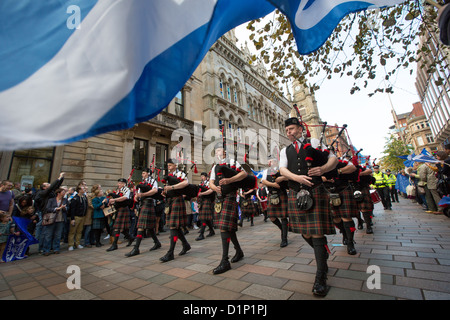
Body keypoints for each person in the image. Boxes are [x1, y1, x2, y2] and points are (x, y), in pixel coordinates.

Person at [279, 117, 338, 297]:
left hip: (315, 190)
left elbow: (333, 159)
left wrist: (323, 169)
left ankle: (321, 276)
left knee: (317, 232)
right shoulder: (285, 150)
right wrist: (296, 178)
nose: (289, 133)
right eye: (287, 130)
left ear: (300, 128)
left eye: (292, 129)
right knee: (305, 232)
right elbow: (282, 169)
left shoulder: (313, 142)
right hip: (296, 191)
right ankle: (322, 252)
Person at [209, 142, 248, 274]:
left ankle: (225, 260)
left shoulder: (232, 163)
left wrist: (229, 180)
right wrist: (214, 187)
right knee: (228, 228)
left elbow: (243, 174)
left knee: (224, 228)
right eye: (216, 151)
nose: (217, 153)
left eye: (219, 150)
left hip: (230, 197)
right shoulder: (215, 167)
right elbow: (210, 183)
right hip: (219, 199)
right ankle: (239, 251)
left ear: (224, 152)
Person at [159, 159, 191, 262]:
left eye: (170, 165)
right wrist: (165, 193)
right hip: (170, 201)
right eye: (167, 165)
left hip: (177, 200)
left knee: (173, 226)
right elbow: (168, 189)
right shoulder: (168, 175)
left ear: (175, 165)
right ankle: (185, 245)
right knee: (175, 227)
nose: (168, 166)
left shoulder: (180, 174)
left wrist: (172, 187)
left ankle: (170, 252)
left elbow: (185, 183)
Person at [125, 168, 161, 257]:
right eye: (142, 173)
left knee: (141, 226)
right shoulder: (142, 183)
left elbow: (155, 190)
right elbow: (137, 194)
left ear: (148, 173)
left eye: (144, 173)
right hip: (142, 204)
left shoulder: (153, 181)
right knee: (149, 227)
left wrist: (143, 195)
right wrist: (136, 197)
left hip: (149, 203)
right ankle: (157, 243)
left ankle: (136, 248)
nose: (142, 174)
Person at [261, 156, 289, 247]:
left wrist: (282, 178)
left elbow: (289, 177)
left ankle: (284, 238)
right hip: (271, 194)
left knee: (283, 217)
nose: (269, 163)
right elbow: (264, 181)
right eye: (268, 162)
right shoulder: (266, 171)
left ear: (276, 162)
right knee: (271, 217)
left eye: (271, 161)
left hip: (281, 194)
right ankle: (282, 229)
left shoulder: (282, 169)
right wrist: (273, 184)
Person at [33, 172, 65, 252]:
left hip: (53, 214)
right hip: (46, 213)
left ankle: (51, 247)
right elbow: (52, 187)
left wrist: (61, 179)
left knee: (53, 233)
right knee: (46, 232)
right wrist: (58, 178)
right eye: (48, 185)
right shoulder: (42, 193)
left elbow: (56, 187)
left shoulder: (50, 193)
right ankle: (43, 248)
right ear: (44, 187)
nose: (50, 185)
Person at [106, 178, 133, 252]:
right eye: (118, 183)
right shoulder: (118, 190)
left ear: (124, 184)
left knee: (117, 227)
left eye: (120, 183)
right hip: (118, 209)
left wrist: (114, 200)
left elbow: (125, 198)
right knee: (121, 228)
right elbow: (117, 198)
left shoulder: (126, 190)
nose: (119, 184)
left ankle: (114, 244)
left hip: (123, 209)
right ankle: (130, 237)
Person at [42, 188, 68, 255]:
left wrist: (65, 208)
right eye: (63, 192)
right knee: (48, 235)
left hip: (60, 219)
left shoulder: (65, 200)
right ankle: (46, 250)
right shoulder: (51, 200)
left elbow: (68, 208)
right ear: (58, 193)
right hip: (51, 219)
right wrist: (56, 209)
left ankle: (56, 248)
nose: (64, 193)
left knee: (58, 235)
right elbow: (47, 208)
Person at [196, 172, 216, 241]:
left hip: (207, 201)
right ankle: (212, 231)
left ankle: (201, 234)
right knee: (206, 218)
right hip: (202, 201)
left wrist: (202, 193)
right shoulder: (201, 184)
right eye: (201, 176)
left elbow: (211, 191)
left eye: (203, 176)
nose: (202, 177)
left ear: (206, 177)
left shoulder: (209, 183)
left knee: (204, 218)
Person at [68, 185, 87, 251]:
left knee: (79, 231)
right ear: (79, 190)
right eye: (83, 188)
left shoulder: (84, 197)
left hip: (82, 216)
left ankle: (77, 243)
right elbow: (72, 209)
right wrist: (72, 218)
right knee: (72, 231)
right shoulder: (75, 198)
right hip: (76, 217)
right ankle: (71, 244)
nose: (84, 189)